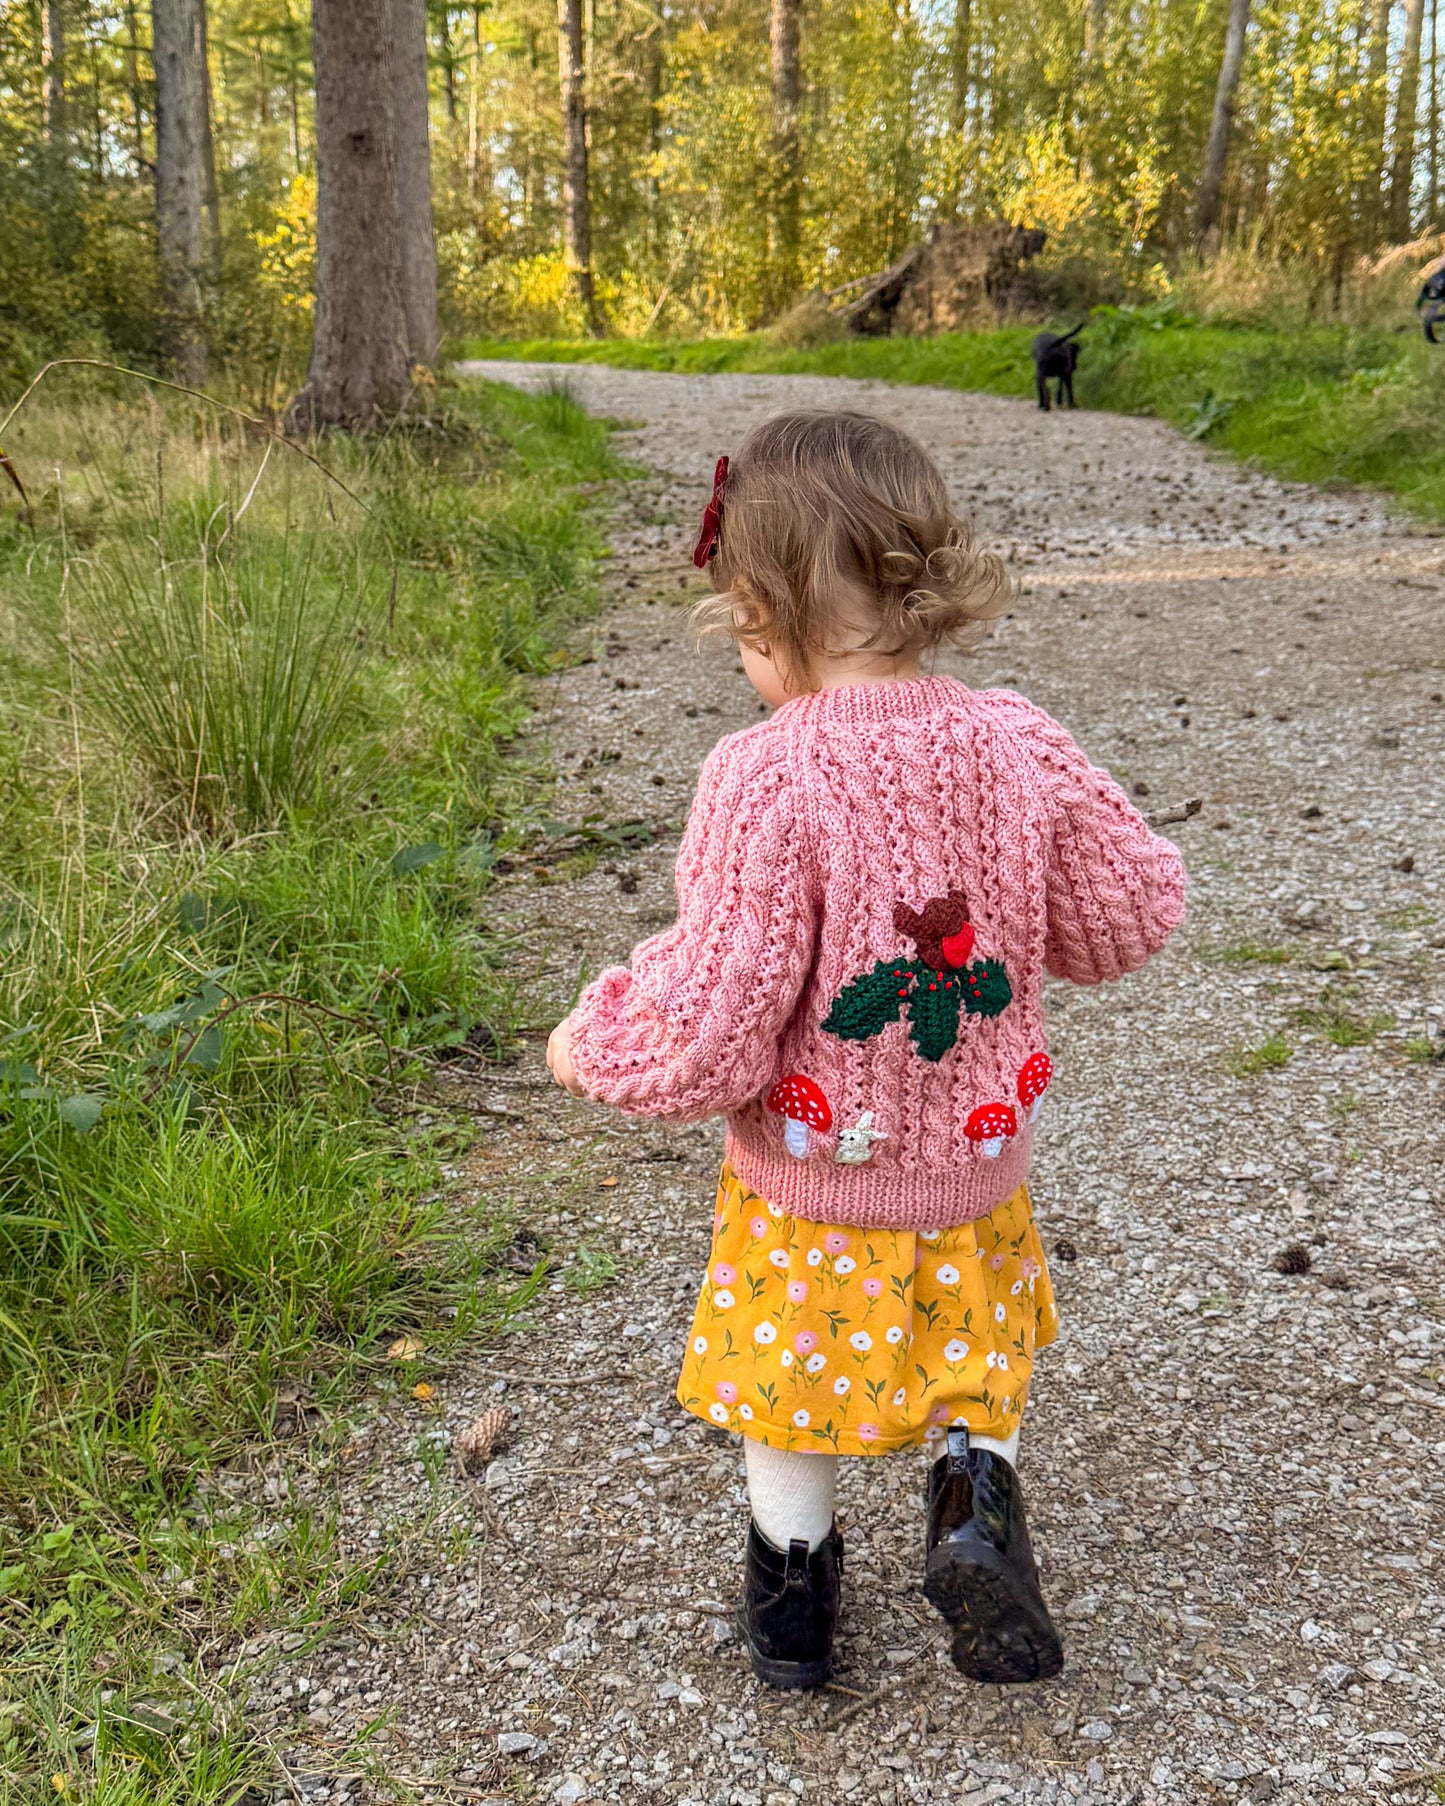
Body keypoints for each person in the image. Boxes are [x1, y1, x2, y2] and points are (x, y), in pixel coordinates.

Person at [547, 410, 1186, 1690]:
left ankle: (793, 1608)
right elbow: (1126, 914)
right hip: (973, 1164)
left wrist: (592, 1040)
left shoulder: (764, 775)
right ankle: (971, 1506)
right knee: (972, 1353)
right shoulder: (1019, 739)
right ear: (922, 582)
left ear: (761, 613)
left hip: (808, 1185)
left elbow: (716, 1022)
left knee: (784, 1381)